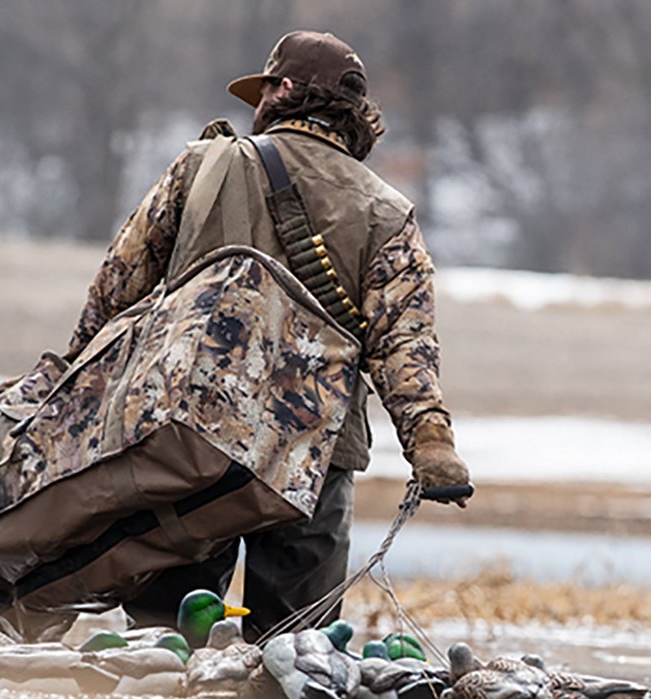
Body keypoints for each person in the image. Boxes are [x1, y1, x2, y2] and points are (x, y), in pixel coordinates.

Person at [64, 30, 470, 639]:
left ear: (282, 91)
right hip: (314, 454)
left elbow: (116, 287)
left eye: (265, 88)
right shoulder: (386, 211)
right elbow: (405, 346)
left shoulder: (203, 168)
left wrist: (70, 381)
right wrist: (431, 446)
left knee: (165, 644)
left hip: (188, 441)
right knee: (294, 654)